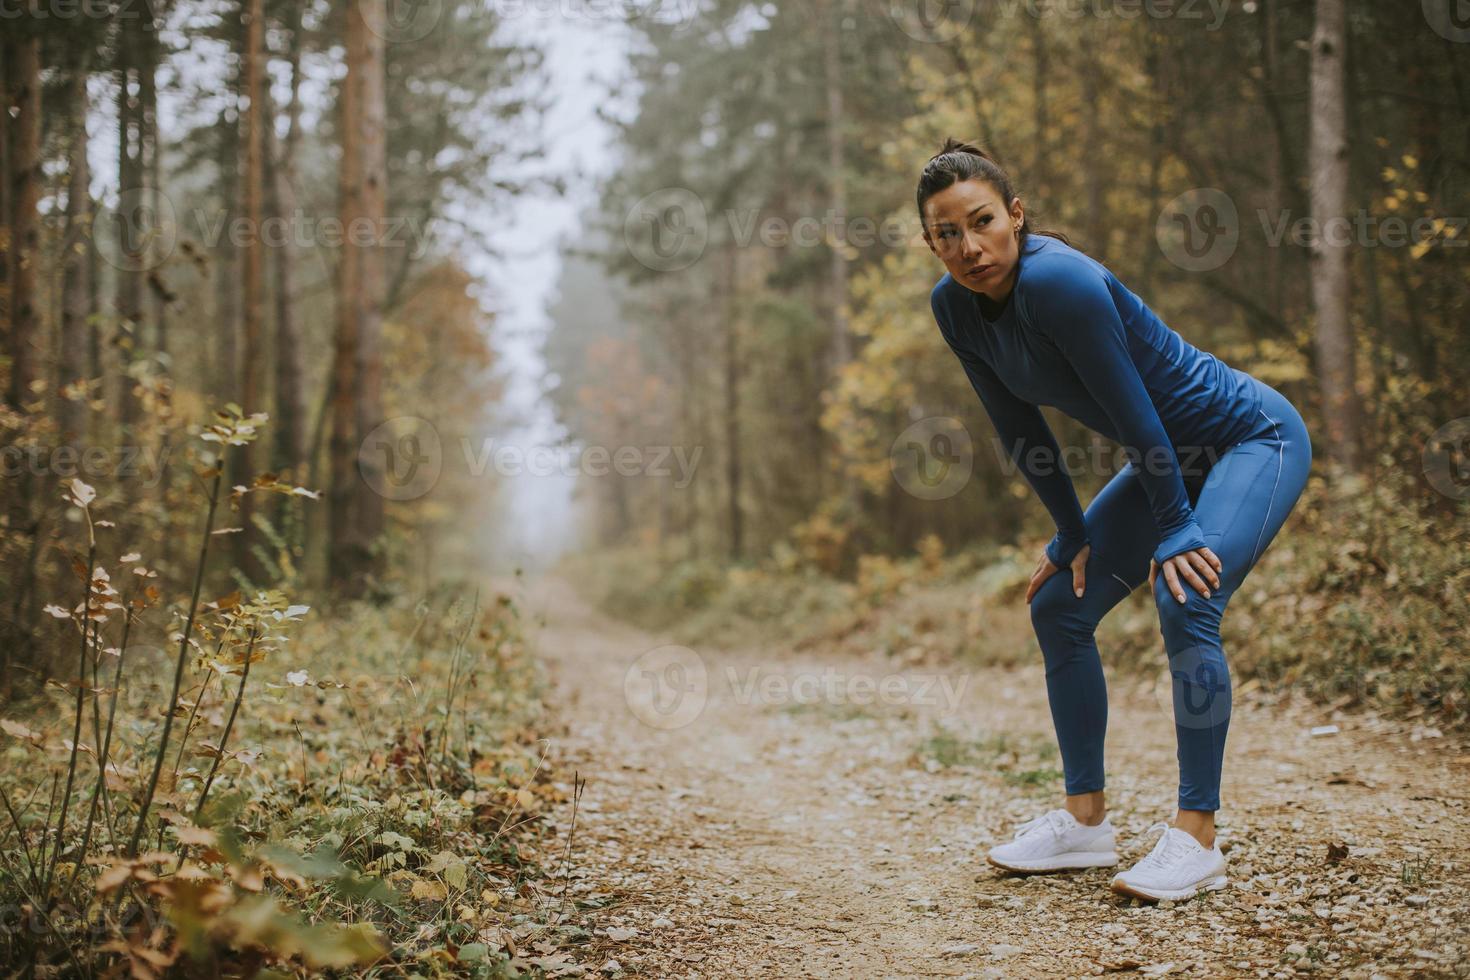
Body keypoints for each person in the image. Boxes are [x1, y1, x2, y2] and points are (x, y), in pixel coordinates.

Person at [918, 138, 1313, 903]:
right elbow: (1019, 428)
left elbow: (1137, 418)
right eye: (947, 234)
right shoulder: (955, 310)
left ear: (1017, 215)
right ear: (929, 241)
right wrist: (1069, 535)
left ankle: (1196, 837)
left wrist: (1177, 528)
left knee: (1185, 591)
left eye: (983, 222)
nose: (969, 248)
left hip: (1248, 438)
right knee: (1059, 604)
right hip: (1169, 454)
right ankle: (1085, 822)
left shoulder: (1061, 283)